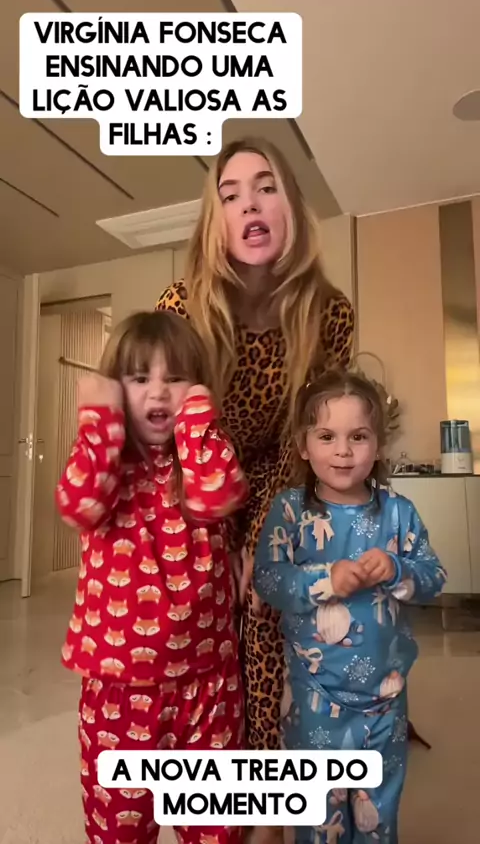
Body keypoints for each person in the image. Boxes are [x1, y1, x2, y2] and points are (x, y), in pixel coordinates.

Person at [156, 137, 355, 757]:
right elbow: (166, 439)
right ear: (215, 221)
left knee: (266, 605)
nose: (250, 205)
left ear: (290, 205)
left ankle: (263, 768)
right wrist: (218, 537)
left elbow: (307, 439)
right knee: (202, 618)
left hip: (276, 475)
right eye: (231, 195)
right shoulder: (181, 307)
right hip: (194, 480)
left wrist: (263, 542)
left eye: (266, 188)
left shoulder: (329, 314)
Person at [56, 310, 249, 844]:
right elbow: (78, 504)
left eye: (177, 378)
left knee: (216, 830)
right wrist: (100, 420)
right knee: (119, 830)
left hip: (207, 686)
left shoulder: (205, 455)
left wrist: (197, 420)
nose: (159, 392)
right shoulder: (103, 463)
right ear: (115, 390)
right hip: (117, 691)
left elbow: (218, 495)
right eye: (140, 378)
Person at [254, 370, 447, 844]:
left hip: (386, 700)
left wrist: (397, 569)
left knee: (377, 814)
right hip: (314, 697)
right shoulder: (289, 511)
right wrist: (325, 580)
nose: (343, 451)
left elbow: (434, 578)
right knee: (319, 814)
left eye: (358, 436)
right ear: (303, 445)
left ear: (378, 445)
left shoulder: (398, 512)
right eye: (327, 437)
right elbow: (269, 579)